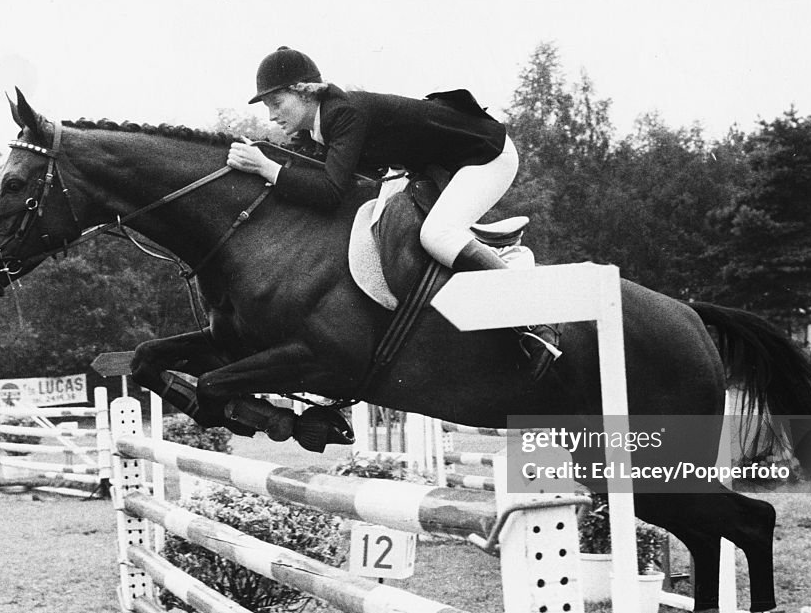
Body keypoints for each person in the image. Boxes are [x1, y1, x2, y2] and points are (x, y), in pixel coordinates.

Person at [227, 46, 561, 380]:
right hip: (445, 166)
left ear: (304, 92)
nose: (272, 115)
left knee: (438, 235)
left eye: (276, 103)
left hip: (486, 155)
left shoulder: (342, 114)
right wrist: (258, 162)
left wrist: (267, 169)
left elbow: (329, 192)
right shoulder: (322, 125)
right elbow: (311, 174)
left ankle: (535, 318)